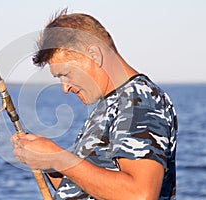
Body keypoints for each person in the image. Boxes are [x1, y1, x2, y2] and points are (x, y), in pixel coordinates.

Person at [11, 9, 177, 200]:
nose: (64, 88)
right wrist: (47, 162)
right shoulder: (111, 103)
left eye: (65, 74)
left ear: (93, 54)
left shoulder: (139, 99)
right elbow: (84, 188)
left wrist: (57, 158)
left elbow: (140, 194)